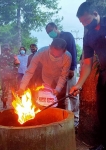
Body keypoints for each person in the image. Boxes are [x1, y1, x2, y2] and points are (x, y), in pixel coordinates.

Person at [70, 2, 106, 150]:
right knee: (103, 112)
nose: (85, 24)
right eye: (82, 22)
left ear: (96, 14)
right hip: (104, 76)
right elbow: (87, 64)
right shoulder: (88, 37)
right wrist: (78, 85)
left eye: (86, 20)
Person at [18, 38, 72, 109]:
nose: (54, 57)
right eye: (52, 54)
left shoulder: (67, 57)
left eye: (58, 55)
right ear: (50, 47)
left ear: (64, 51)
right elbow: (29, 71)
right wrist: (22, 87)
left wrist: (58, 89)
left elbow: (63, 75)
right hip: (46, 79)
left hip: (59, 80)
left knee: (59, 103)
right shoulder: (41, 53)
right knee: (43, 103)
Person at [45, 22, 79, 127]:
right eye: (48, 33)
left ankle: (75, 119)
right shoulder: (55, 41)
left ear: (56, 28)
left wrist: (72, 68)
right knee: (61, 95)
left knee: (72, 94)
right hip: (60, 73)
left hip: (69, 69)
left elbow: (73, 51)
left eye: (50, 31)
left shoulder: (67, 35)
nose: (50, 33)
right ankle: (62, 117)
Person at [0, 44, 20, 108]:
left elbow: (18, 64)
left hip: (12, 77)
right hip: (5, 78)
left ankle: (15, 103)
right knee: (5, 91)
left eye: (7, 49)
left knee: (14, 90)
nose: (6, 50)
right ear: (4, 49)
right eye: (5, 49)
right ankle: (4, 104)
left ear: (9, 49)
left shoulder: (13, 56)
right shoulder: (0, 57)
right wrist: (2, 71)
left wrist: (15, 71)